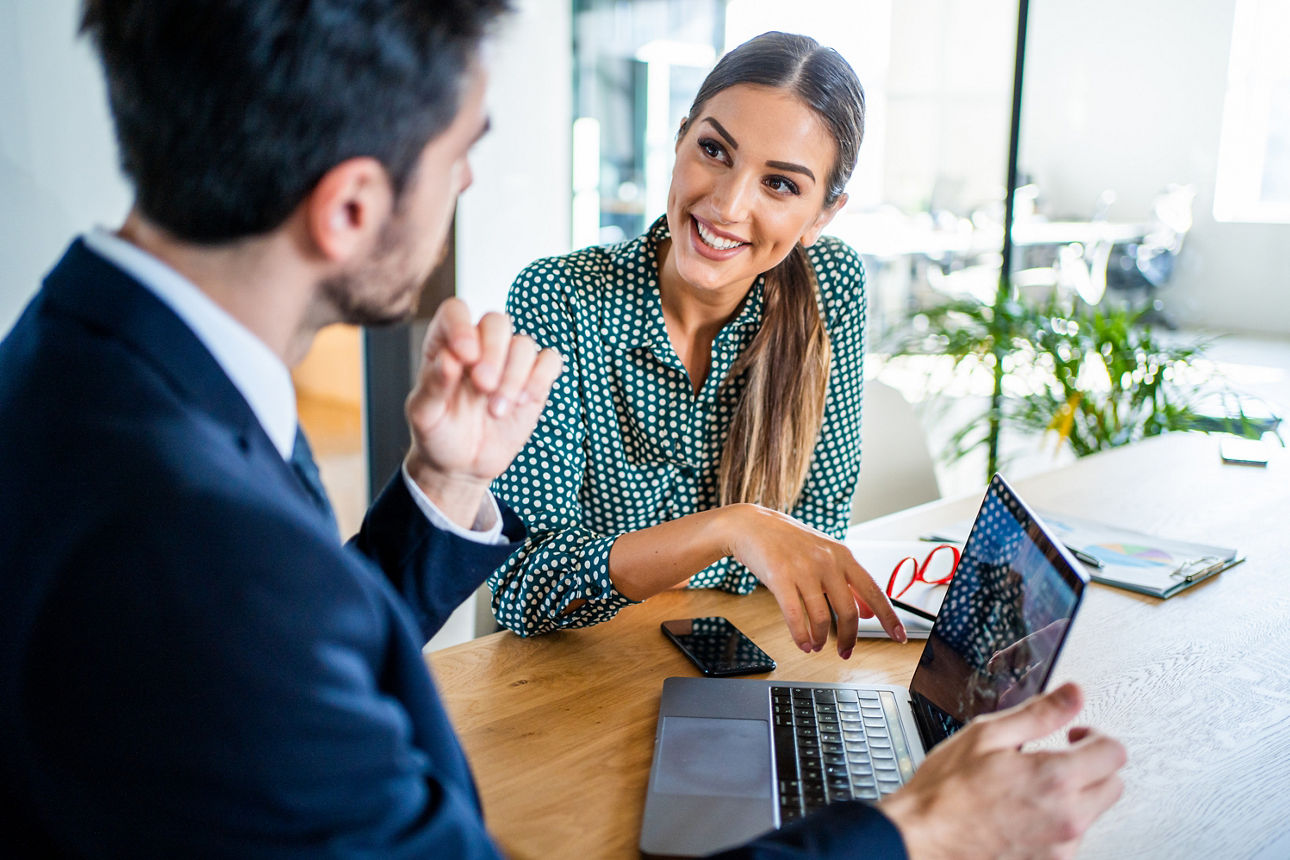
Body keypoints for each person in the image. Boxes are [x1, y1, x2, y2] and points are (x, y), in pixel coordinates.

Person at [0, 2, 1125, 857]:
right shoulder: (192, 551)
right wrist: (916, 828)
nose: (475, 178)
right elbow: (260, 627)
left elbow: (313, 633)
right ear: (350, 206)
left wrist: (439, 491)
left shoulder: (105, 366)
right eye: (461, 154)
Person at [490, 33, 905, 656]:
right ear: (680, 138)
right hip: (579, 671)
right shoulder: (560, 298)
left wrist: (662, 557)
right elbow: (524, 584)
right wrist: (732, 531)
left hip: (746, 653)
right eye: (714, 150)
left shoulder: (830, 287)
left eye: (781, 185)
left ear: (823, 215)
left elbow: (816, 529)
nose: (728, 205)